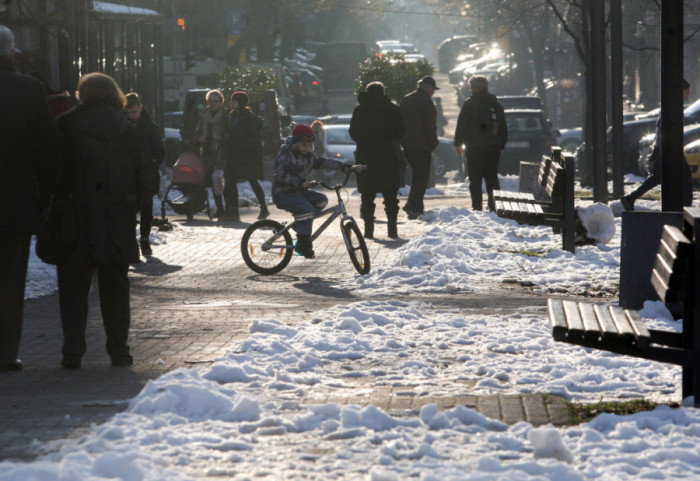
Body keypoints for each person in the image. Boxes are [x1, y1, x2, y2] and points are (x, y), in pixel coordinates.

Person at [55, 72, 156, 369]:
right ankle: (119, 350)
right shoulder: (129, 130)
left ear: (81, 94)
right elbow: (148, 179)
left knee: (73, 286)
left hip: (76, 217)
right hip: (117, 217)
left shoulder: (65, 126)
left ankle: (72, 351)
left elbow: (51, 172)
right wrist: (132, 201)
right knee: (115, 286)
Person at [0, 25, 61, 372]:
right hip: (14, 202)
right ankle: (5, 353)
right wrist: (47, 192)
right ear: (12, 54)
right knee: (9, 281)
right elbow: (48, 149)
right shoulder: (28, 90)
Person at [272, 124, 364, 258]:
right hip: (283, 193)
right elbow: (280, 175)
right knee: (307, 209)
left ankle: (301, 225)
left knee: (321, 201)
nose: (307, 149)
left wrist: (349, 168)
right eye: (304, 146)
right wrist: (301, 183)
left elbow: (326, 163)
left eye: (310, 146)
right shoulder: (286, 155)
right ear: (295, 144)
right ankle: (303, 245)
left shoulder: (309, 157)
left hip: (298, 191)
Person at [620, 78, 692, 210]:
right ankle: (686, 208)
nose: (688, 94)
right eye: (686, 91)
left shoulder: (671, 105)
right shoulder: (672, 106)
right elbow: (664, 127)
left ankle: (630, 199)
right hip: (669, 149)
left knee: (658, 177)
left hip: (664, 148)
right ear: (680, 91)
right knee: (685, 177)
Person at [349, 81, 406, 239]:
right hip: (388, 158)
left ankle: (369, 231)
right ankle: (392, 230)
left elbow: (353, 133)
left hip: (366, 159)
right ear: (383, 92)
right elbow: (401, 130)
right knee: (390, 198)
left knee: (367, 197)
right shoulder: (392, 109)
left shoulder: (360, 110)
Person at [454, 74, 508, 212]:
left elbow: (462, 124)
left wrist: (458, 143)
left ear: (476, 88)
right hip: (493, 147)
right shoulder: (495, 103)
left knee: (475, 178)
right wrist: (502, 145)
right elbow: (503, 125)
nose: (470, 90)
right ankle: (494, 205)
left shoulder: (470, 103)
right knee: (492, 178)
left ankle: (477, 207)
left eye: (471, 87)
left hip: (475, 147)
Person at [124, 92, 164, 255]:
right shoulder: (122, 127)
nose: (131, 116)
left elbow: (160, 152)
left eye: (133, 112)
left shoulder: (151, 127)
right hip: (129, 175)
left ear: (140, 109)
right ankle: (131, 239)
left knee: (146, 208)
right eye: (127, 113)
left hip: (146, 175)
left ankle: (145, 238)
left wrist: (152, 163)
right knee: (129, 208)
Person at [222, 91, 269, 220]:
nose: (231, 103)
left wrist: (240, 146)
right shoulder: (232, 116)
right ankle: (233, 210)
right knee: (230, 180)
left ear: (241, 102)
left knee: (252, 179)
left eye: (234, 100)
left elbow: (251, 138)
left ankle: (264, 208)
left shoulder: (250, 117)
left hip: (248, 155)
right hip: (234, 154)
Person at [399, 76, 440, 219]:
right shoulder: (426, 102)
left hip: (407, 145)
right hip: (422, 145)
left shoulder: (406, 99)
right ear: (428, 87)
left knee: (417, 176)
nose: (433, 92)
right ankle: (413, 206)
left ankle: (416, 206)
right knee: (421, 177)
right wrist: (433, 143)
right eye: (433, 89)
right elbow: (430, 126)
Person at [197, 89, 229, 217]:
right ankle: (218, 208)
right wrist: (199, 137)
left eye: (215, 101)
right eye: (210, 101)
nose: (212, 103)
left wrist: (221, 138)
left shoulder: (225, 114)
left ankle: (225, 208)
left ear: (221, 102)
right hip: (206, 151)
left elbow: (230, 132)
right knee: (209, 181)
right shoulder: (204, 113)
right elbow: (198, 130)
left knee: (219, 180)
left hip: (220, 152)